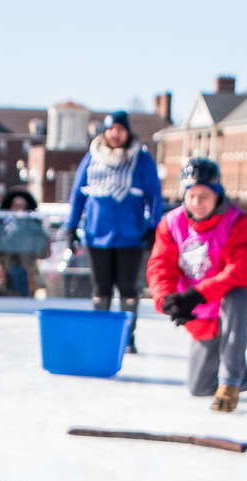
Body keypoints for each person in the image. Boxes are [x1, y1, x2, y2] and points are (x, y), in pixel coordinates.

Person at [147, 157, 247, 413]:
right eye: (192, 195)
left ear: (217, 194)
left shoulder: (237, 222)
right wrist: (170, 301)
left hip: (242, 302)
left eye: (204, 194)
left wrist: (197, 294)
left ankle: (230, 382)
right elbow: (160, 267)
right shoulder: (171, 224)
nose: (197, 202)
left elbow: (242, 271)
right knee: (201, 387)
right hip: (203, 311)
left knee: (235, 298)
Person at [66, 112, 163, 353]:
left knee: (128, 288)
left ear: (128, 132)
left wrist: (153, 227)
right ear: (105, 132)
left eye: (120, 129)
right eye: (111, 129)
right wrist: (71, 226)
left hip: (130, 236)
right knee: (101, 289)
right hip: (97, 234)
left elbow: (154, 195)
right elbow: (78, 193)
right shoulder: (92, 156)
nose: (115, 134)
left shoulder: (141, 159)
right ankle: (101, 336)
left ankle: (127, 337)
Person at [0, 189, 47, 297]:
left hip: (27, 274)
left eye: (22, 206)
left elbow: (43, 251)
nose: (19, 209)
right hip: (4, 273)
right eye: (15, 206)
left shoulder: (32, 225)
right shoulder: (2, 224)